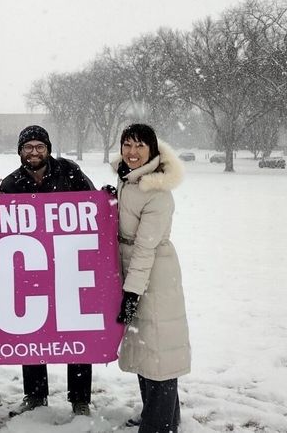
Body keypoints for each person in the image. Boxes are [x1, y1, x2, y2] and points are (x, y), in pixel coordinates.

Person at [0, 125, 96, 417]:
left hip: (68, 267)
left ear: (48, 149)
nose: (34, 152)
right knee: (32, 332)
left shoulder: (68, 171)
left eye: (39, 146)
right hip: (29, 270)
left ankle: (80, 398)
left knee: (75, 331)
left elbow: (93, 205)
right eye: (28, 147)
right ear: (20, 152)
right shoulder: (12, 183)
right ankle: (36, 394)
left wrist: (108, 198)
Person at [111, 123, 190, 433]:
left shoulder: (156, 191)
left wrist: (132, 292)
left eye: (139, 146)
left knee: (159, 350)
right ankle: (161, 414)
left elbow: (145, 248)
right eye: (127, 145)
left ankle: (160, 424)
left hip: (154, 274)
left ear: (153, 150)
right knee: (146, 348)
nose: (132, 152)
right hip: (136, 270)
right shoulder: (129, 179)